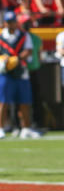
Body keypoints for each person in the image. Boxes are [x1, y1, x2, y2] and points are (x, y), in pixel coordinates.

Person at [0, 9, 41, 138]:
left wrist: (17, 59)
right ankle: (1, 128)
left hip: (21, 71)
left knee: (25, 101)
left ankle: (26, 128)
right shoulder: (1, 36)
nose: (11, 24)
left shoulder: (24, 35)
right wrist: (4, 60)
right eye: (9, 22)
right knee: (3, 101)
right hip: (5, 71)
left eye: (13, 22)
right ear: (5, 23)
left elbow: (28, 51)